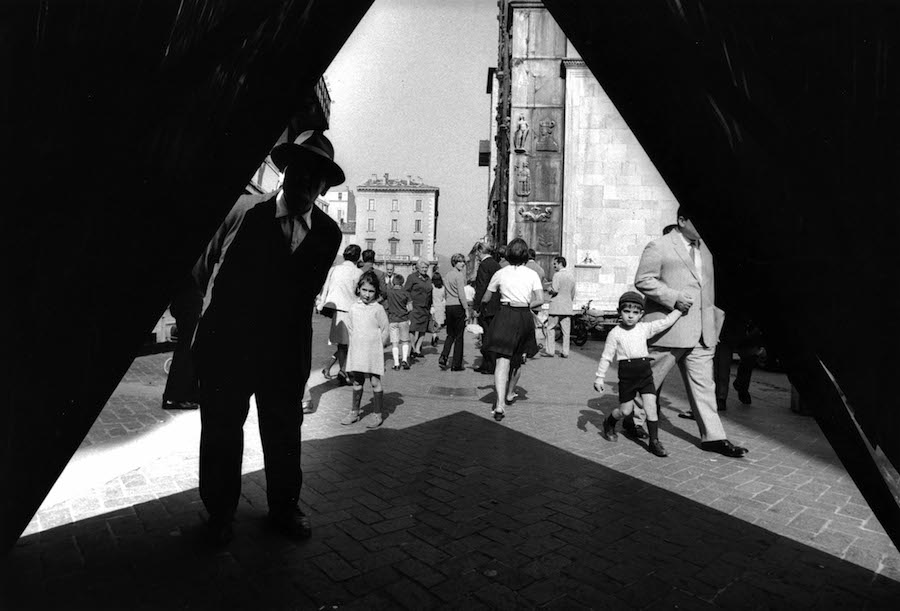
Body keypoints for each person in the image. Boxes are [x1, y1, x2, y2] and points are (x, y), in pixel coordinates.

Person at [192, 130, 343, 544]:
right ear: (285, 171)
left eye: (317, 179)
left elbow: (305, 290)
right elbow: (204, 270)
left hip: (284, 350)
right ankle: (220, 514)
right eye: (301, 172)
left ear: (325, 186)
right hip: (229, 345)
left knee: (283, 431)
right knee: (222, 429)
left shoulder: (329, 234)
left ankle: (284, 507)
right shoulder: (242, 212)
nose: (307, 184)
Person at [634, 207, 748, 458]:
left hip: (703, 332)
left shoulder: (706, 250)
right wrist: (673, 297)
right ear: (681, 220)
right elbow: (643, 279)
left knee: (704, 386)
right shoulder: (659, 246)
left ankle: (713, 437)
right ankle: (634, 420)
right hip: (669, 329)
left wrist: (715, 319)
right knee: (652, 378)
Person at [594, 292, 683, 457]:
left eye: (635, 313)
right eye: (627, 311)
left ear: (641, 314)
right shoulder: (615, 333)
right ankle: (610, 422)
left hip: (645, 374)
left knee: (651, 408)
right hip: (627, 375)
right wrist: (600, 377)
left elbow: (665, 322)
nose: (630, 316)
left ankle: (654, 442)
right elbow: (606, 357)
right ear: (619, 311)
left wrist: (678, 310)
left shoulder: (644, 328)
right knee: (625, 411)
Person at [480, 238, 544, 422]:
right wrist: (525, 304)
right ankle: (510, 393)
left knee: (502, 361)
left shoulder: (501, 273)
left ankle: (499, 405)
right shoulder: (532, 274)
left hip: (505, 314)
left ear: (508, 254)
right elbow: (540, 299)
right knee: (518, 359)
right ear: (525, 254)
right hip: (523, 315)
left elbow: (486, 297)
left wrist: (481, 309)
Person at [341, 271, 390, 428]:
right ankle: (354, 412)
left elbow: (385, 329)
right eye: (364, 290)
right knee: (357, 381)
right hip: (358, 351)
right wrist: (355, 345)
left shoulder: (378, 309)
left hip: (373, 352)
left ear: (376, 292)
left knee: (375, 381)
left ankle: (377, 414)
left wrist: (378, 346)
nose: (367, 294)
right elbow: (350, 329)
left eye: (371, 291)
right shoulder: (354, 308)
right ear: (359, 289)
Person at [318, 244, 362, 385]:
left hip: (335, 309)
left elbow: (326, 287)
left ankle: (340, 371)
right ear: (357, 257)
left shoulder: (334, 269)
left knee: (342, 344)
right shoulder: (358, 273)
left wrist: (322, 303)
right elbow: (358, 293)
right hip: (351, 309)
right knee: (349, 343)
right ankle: (344, 372)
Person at [162, 275, 203, 410]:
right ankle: (176, 397)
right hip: (188, 302)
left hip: (186, 301)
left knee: (188, 349)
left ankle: (186, 395)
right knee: (186, 349)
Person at [439, 254, 472, 371]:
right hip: (458, 306)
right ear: (455, 263)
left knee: (450, 334)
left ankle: (444, 356)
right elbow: (461, 295)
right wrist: (466, 309)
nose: (463, 264)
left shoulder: (447, 275)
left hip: (449, 306)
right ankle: (456, 364)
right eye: (460, 262)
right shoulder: (459, 276)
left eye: (463, 262)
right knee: (459, 336)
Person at [471, 242, 501, 374]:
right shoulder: (496, 264)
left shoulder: (484, 265)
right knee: (492, 335)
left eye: (476, 252)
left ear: (480, 251)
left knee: (486, 336)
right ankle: (488, 363)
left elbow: (481, 288)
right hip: (496, 306)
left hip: (487, 306)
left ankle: (489, 365)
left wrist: (476, 307)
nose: (476, 255)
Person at [544, 256, 577, 358]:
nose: (554, 266)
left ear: (559, 263)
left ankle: (550, 350)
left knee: (550, 328)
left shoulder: (557, 275)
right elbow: (573, 293)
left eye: (555, 264)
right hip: (567, 307)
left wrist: (549, 289)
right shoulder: (571, 276)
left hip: (556, 306)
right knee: (566, 332)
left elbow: (555, 290)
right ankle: (565, 352)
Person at [404, 259, 433, 359]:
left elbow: (430, 293)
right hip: (415, 307)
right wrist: (409, 301)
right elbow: (406, 291)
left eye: (426, 268)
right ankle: (412, 348)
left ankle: (417, 348)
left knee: (422, 329)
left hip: (425, 307)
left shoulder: (428, 279)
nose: (425, 270)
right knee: (413, 328)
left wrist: (431, 306)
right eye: (423, 267)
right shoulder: (412, 277)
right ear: (418, 268)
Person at [384, 273, 412, 370]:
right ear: (402, 283)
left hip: (392, 319)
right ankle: (404, 360)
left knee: (394, 343)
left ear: (393, 282)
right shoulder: (406, 293)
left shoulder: (389, 292)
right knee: (405, 341)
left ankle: (396, 363)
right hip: (403, 319)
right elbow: (410, 307)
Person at [430, 269, 446, 347]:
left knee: (433, 323)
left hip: (433, 306)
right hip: (441, 307)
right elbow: (444, 298)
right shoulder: (443, 288)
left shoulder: (431, 287)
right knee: (438, 324)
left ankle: (434, 336)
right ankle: (435, 336)